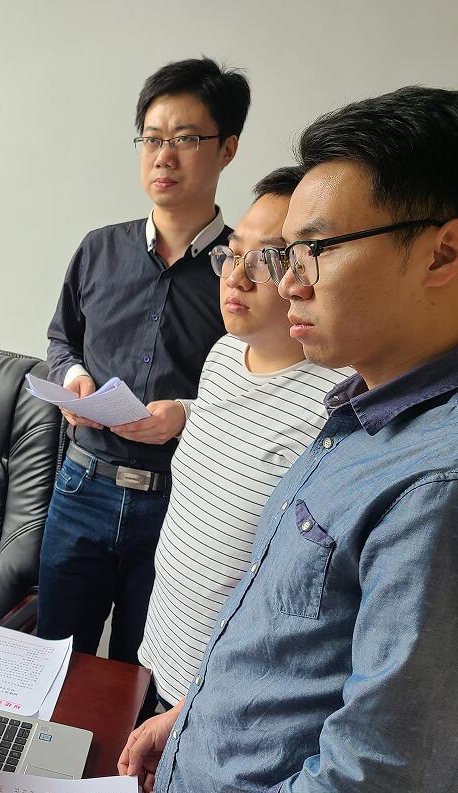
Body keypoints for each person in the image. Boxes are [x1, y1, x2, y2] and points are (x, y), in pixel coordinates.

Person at [114, 86, 458, 793]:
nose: (288, 281)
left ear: (442, 252)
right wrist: (194, 715)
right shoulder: (365, 408)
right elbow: (295, 636)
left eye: (312, 250)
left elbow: (384, 771)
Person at [39, 57, 249, 664]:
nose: (164, 157)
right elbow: (60, 342)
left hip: (181, 504)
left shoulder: (245, 271)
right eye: (152, 140)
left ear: (227, 148)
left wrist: (186, 414)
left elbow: (262, 387)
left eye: (185, 139)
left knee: (146, 674)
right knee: (55, 663)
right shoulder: (99, 249)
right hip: (81, 487)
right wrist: (74, 377)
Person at [138, 167, 352, 708]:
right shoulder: (224, 355)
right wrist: (182, 412)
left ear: (308, 271)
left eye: (266, 260)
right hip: (161, 655)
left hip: (226, 699)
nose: (236, 277)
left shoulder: (339, 403)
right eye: (232, 255)